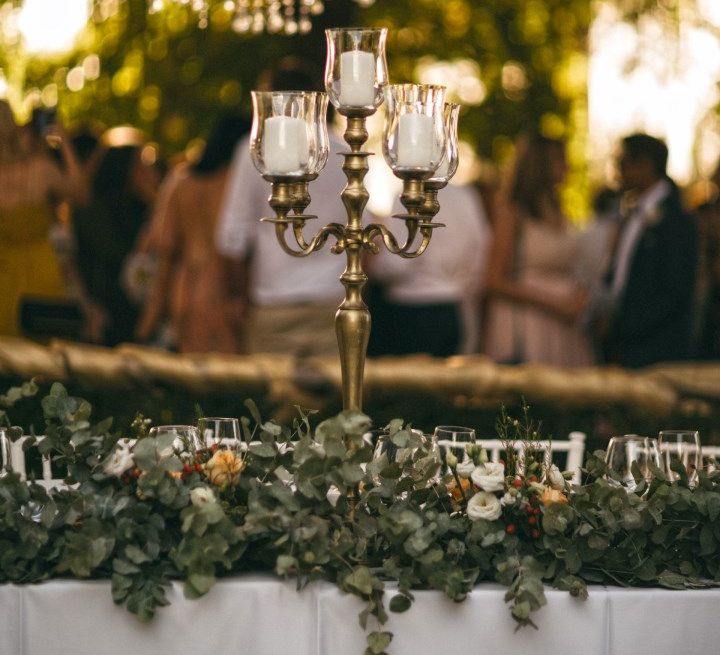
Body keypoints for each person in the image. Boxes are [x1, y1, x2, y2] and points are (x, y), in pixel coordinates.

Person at [215, 60, 346, 358]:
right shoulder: (345, 153)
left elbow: (232, 236)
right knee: (335, 396)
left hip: (274, 301)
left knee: (275, 399)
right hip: (335, 300)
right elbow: (361, 233)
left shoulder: (254, 151)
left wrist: (236, 296)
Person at [135, 115, 250, 353]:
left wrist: (147, 324)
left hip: (183, 290)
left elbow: (164, 248)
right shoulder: (238, 183)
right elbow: (237, 247)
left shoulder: (180, 181)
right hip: (224, 292)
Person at [587, 133, 698, 367]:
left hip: (656, 349)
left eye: (622, 162)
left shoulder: (675, 220)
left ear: (646, 164)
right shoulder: (632, 212)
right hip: (623, 345)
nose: (617, 170)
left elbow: (674, 291)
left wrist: (623, 326)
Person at [483, 132, 592, 367]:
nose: (567, 167)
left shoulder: (560, 210)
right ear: (541, 165)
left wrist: (580, 294)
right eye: (560, 160)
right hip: (528, 321)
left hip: (563, 325)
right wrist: (553, 303)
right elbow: (493, 280)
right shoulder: (512, 212)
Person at [367, 182, 491, 357]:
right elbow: (479, 251)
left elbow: (398, 264)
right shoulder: (465, 196)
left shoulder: (408, 197)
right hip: (450, 309)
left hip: (409, 311)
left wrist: (373, 264)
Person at [0, 101, 87, 337]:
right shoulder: (40, 169)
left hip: (4, 277)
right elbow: (80, 193)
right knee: (47, 354)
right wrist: (64, 142)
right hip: (43, 272)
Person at [72, 132, 163, 346]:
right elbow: (117, 256)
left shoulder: (144, 209)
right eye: (143, 166)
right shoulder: (95, 212)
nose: (151, 174)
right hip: (109, 315)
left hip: (139, 313)